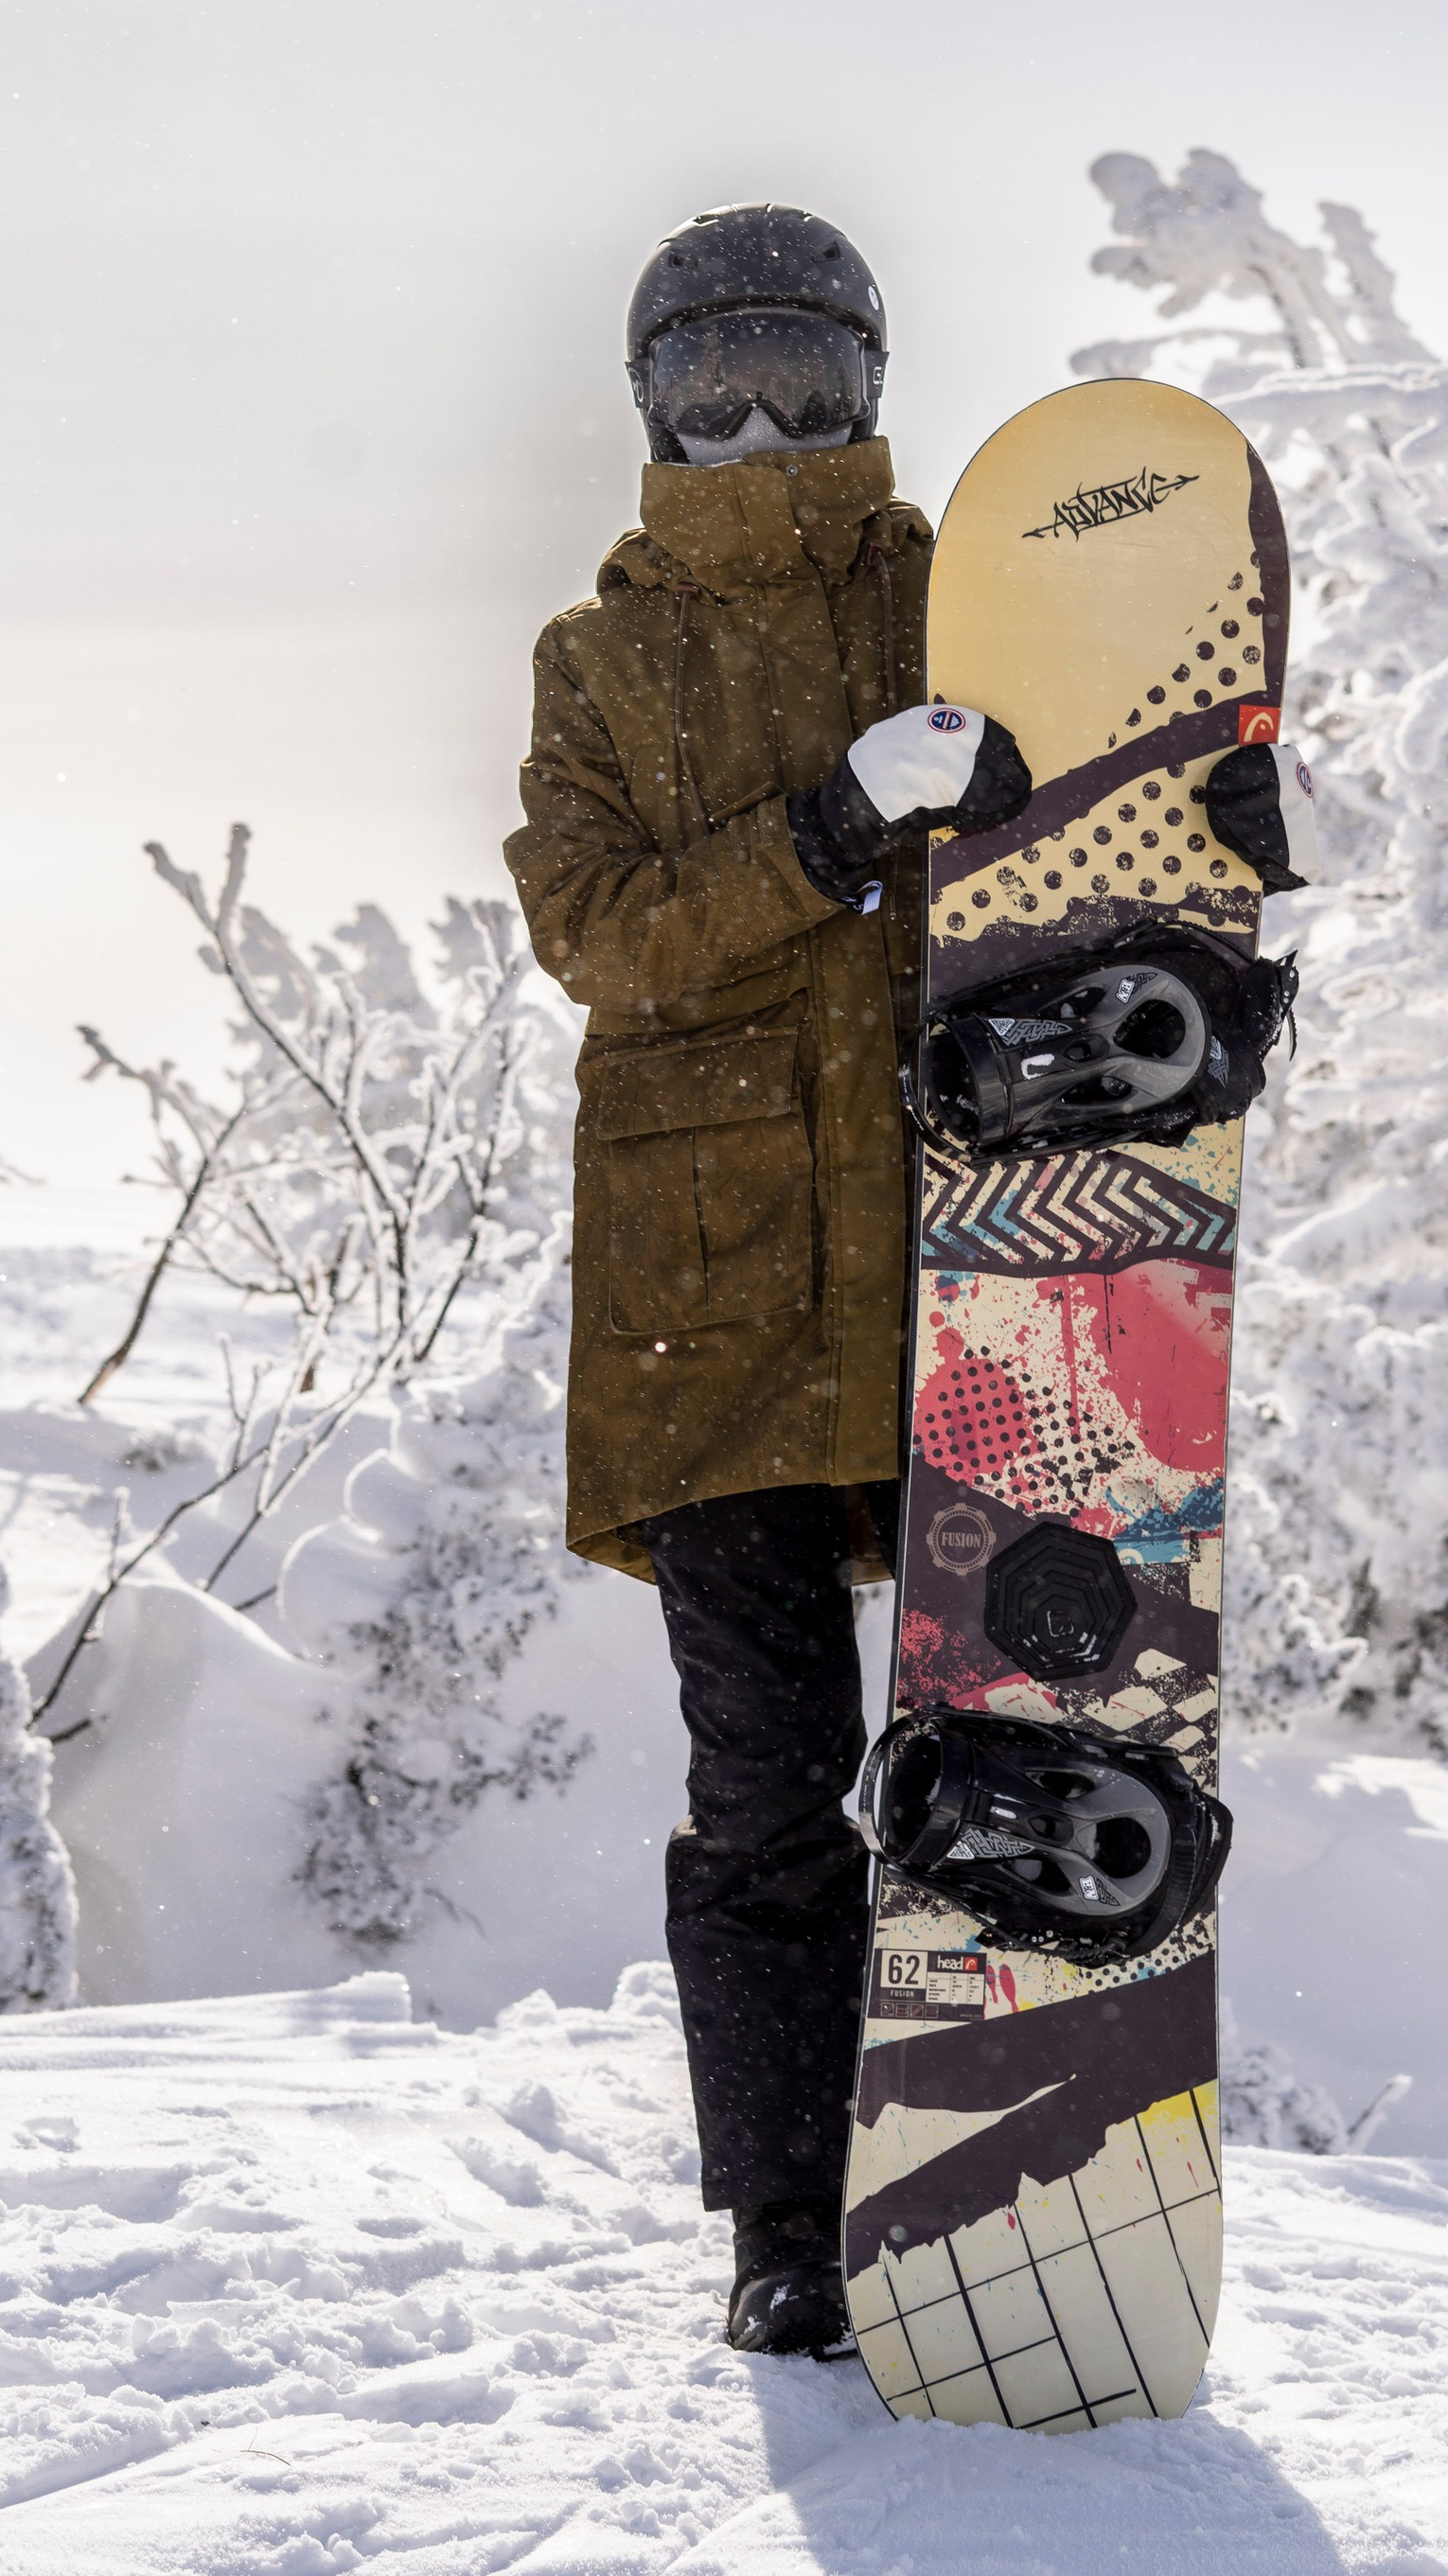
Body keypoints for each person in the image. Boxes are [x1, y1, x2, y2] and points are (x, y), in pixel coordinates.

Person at [503, 203, 1028, 2359]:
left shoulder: (955, 597)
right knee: (763, 1782)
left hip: (960, 1266)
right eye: (700, 381)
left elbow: (1119, 830)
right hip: (699, 1299)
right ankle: (786, 2224)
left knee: (1008, 1721)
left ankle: (998, 2149)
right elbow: (597, 931)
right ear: (641, 402)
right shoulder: (593, 658)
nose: (743, 421)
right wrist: (827, 829)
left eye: (788, 378)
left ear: (863, 387)